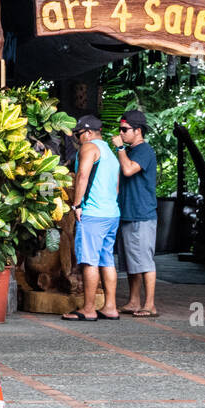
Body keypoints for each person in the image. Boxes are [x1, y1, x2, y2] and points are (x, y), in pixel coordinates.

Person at [63, 114, 121, 322]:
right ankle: (110, 307)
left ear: (87, 133)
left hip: (93, 213)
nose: (77, 139)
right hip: (111, 213)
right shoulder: (110, 152)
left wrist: (77, 204)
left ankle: (88, 309)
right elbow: (116, 185)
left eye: (78, 134)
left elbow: (83, 176)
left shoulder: (89, 148)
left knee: (89, 261)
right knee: (107, 260)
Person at [113, 109, 159, 317]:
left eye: (125, 129)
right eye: (120, 129)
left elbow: (129, 170)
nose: (121, 133)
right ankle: (134, 301)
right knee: (132, 261)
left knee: (144, 261)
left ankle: (149, 305)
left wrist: (120, 149)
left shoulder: (144, 151)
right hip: (127, 213)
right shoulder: (130, 150)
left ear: (138, 131)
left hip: (142, 214)